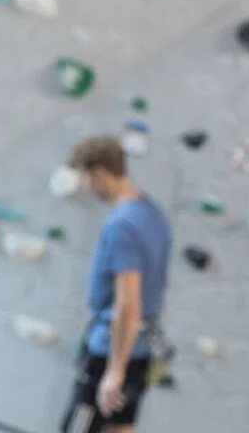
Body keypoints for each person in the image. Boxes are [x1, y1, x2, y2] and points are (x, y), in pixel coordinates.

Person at [65, 135, 171, 433]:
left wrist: (114, 371)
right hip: (140, 350)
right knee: (119, 428)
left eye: (84, 178)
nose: (85, 187)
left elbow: (128, 302)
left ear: (99, 173)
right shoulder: (153, 213)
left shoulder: (122, 226)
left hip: (112, 349)